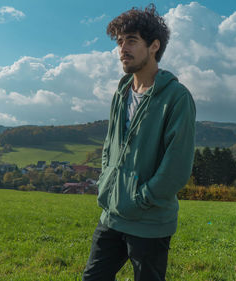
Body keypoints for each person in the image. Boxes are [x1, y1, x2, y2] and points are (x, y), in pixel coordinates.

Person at [82, 4, 196, 281]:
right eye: (120, 42)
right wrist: (106, 184)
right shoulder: (121, 93)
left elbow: (177, 166)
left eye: (131, 41)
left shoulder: (177, 98)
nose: (122, 49)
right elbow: (110, 148)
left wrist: (141, 198)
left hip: (150, 222)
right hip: (113, 215)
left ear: (154, 46)